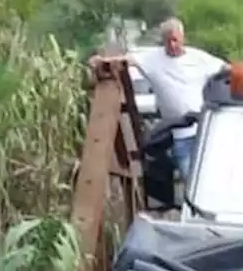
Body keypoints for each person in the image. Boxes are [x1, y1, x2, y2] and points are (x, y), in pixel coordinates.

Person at [90, 17, 224, 182]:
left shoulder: (200, 58)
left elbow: (225, 70)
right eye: (168, 41)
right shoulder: (152, 59)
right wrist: (103, 61)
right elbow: (125, 61)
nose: (172, 45)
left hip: (204, 130)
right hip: (179, 134)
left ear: (182, 38)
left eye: (175, 40)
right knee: (190, 179)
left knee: (212, 178)